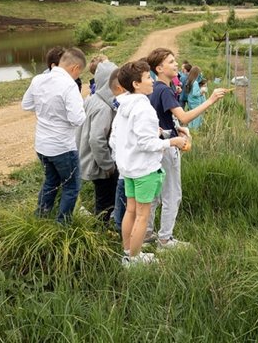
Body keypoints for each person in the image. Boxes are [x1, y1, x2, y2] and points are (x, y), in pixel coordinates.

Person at [145, 48, 228, 249]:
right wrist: (211, 100)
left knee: (154, 195)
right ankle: (165, 240)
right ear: (159, 68)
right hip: (168, 148)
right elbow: (184, 116)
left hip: (156, 146)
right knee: (172, 194)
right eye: (171, 61)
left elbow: (161, 118)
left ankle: (146, 235)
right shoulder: (165, 90)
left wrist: (175, 128)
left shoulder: (153, 88)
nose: (176, 64)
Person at [110, 60, 187, 266]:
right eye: (147, 78)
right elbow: (146, 143)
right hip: (144, 170)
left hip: (128, 169)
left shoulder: (124, 105)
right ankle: (134, 259)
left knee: (131, 211)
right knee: (142, 215)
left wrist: (159, 132)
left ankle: (128, 252)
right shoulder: (144, 108)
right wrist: (172, 142)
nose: (152, 80)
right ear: (136, 84)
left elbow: (116, 138)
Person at [22, 47, 87, 223]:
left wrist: (45, 110)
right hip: (62, 146)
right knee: (71, 186)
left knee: (50, 181)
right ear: (75, 68)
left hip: (42, 144)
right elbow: (77, 119)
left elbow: (26, 104)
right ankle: (62, 225)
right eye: (79, 72)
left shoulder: (38, 79)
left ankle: (41, 217)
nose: (77, 76)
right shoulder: (69, 85)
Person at [76, 60, 118, 224]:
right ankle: (102, 229)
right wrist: (108, 165)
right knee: (105, 201)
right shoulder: (104, 108)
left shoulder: (92, 99)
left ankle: (103, 224)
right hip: (99, 163)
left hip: (92, 158)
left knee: (103, 196)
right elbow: (96, 139)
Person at [107, 68, 129, 233]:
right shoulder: (126, 104)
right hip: (127, 162)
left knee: (121, 194)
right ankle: (120, 230)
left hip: (121, 160)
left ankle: (119, 227)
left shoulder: (119, 104)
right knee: (123, 197)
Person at [183, 66, 206, 130]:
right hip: (195, 103)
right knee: (196, 117)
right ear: (196, 74)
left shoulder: (189, 81)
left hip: (190, 102)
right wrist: (202, 91)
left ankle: (190, 129)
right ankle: (195, 131)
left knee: (191, 116)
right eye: (199, 73)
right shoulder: (195, 83)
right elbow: (195, 93)